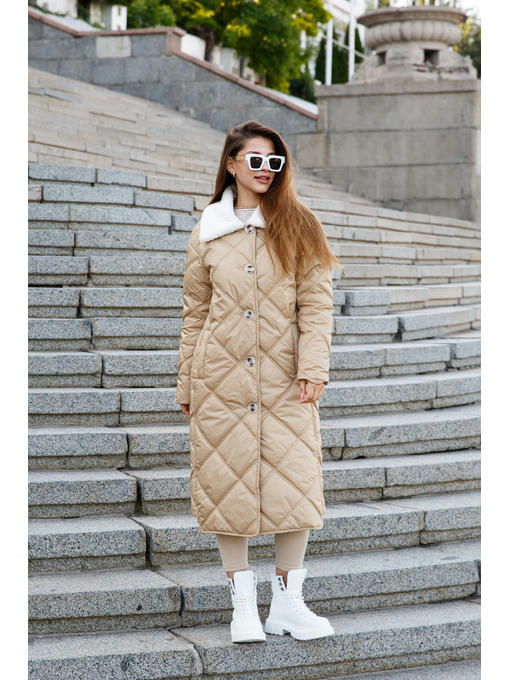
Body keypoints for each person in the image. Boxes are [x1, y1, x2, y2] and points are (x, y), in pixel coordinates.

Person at [176, 120, 342, 644]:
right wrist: (187, 382)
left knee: (296, 483)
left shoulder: (300, 222)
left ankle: (288, 606)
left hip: (284, 377)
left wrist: (313, 367)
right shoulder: (208, 230)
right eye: (255, 160)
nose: (265, 169)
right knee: (226, 486)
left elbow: (316, 304)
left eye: (274, 161)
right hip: (220, 378)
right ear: (231, 164)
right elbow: (195, 312)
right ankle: (243, 608)